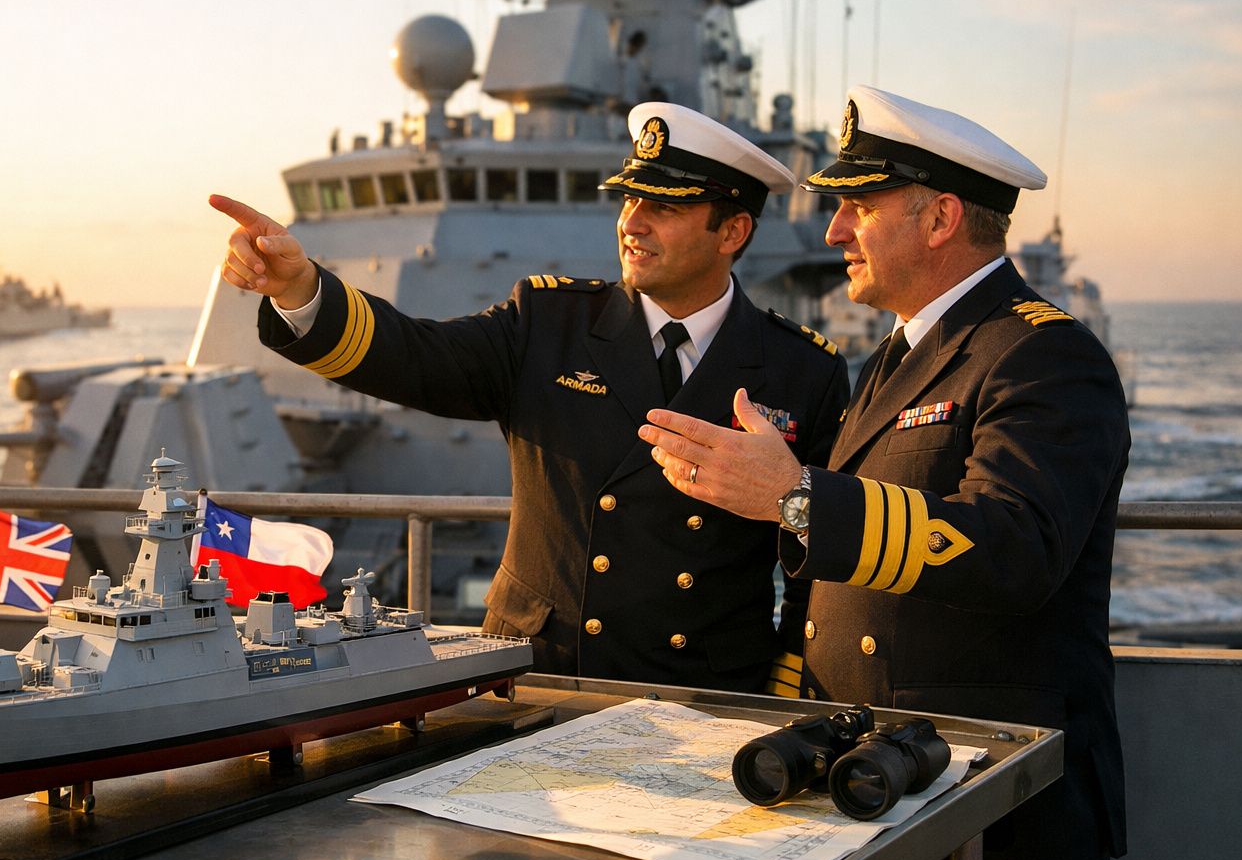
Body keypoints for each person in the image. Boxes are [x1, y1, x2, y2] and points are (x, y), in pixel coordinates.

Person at [638, 85, 1128, 860]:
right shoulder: (895, 358)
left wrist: (796, 499)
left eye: (858, 207)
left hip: (991, 797)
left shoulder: (1041, 354)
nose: (833, 230)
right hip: (880, 781)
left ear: (938, 220)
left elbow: (1020, 547)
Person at [210, 101, 849, 694]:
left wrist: (786, 688)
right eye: (628, 200)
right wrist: (301, 292)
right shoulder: (547, 322)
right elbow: (415, 358)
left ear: (732, 230)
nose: (632, 223)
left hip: (704, 692)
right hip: (537, 672)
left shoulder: (802, 371)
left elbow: (812, 563)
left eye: (666, 208)